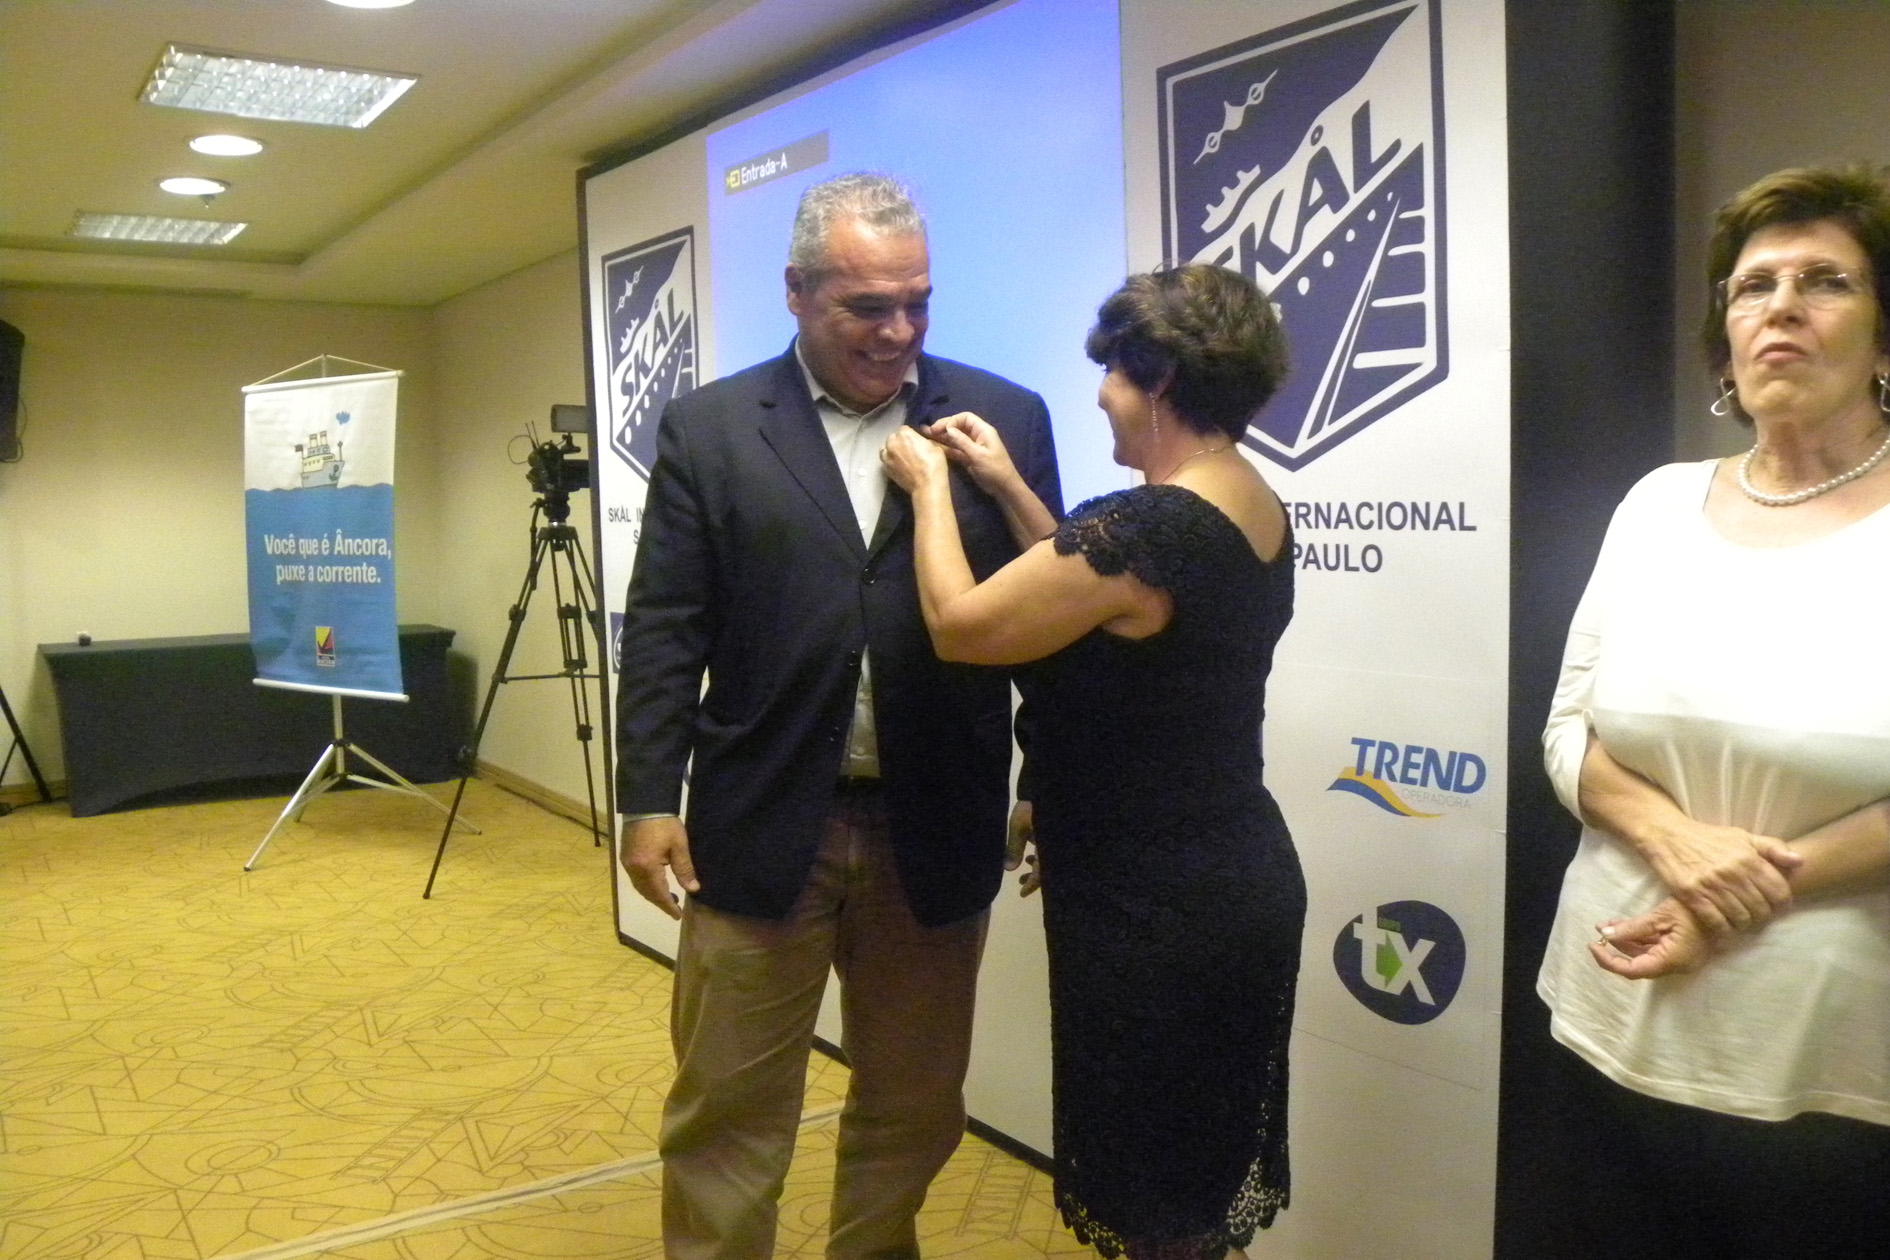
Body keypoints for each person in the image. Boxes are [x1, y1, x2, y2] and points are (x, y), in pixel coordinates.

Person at [614, 172, 1063, 1260]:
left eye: (917, 301)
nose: (898, 330)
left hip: (934, 823)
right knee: (728, 1105)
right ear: (797, 292)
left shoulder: (1002, 419)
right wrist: (646, 798)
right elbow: (668, 626)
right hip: (762, 820)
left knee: (915, 1102)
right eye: (868, 306)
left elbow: (1046, 618)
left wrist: (1049, 775)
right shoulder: (713, 428)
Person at [881, 263, 1303, 1260]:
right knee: (1193, 1182)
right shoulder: (1240, 502)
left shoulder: (1152, 525)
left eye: (1112, 373)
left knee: (1155, 1196)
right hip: (1224, 879)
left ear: (1160, 380)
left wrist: (931, 491)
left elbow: (963, 625)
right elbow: (1099, 594)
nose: (1101, 395)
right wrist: (1008, 485)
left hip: (1153, 906)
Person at [1538, 165, 1890, 1257]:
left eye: (1825, 281)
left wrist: (1726, 897)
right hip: (1606, 1012)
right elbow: (1567, 730)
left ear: (1884, 335)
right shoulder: (1656, 502)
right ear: (1725, 340)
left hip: (1824, 1060)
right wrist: (1673, 840)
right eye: (1753, 287)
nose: (1780, 307)